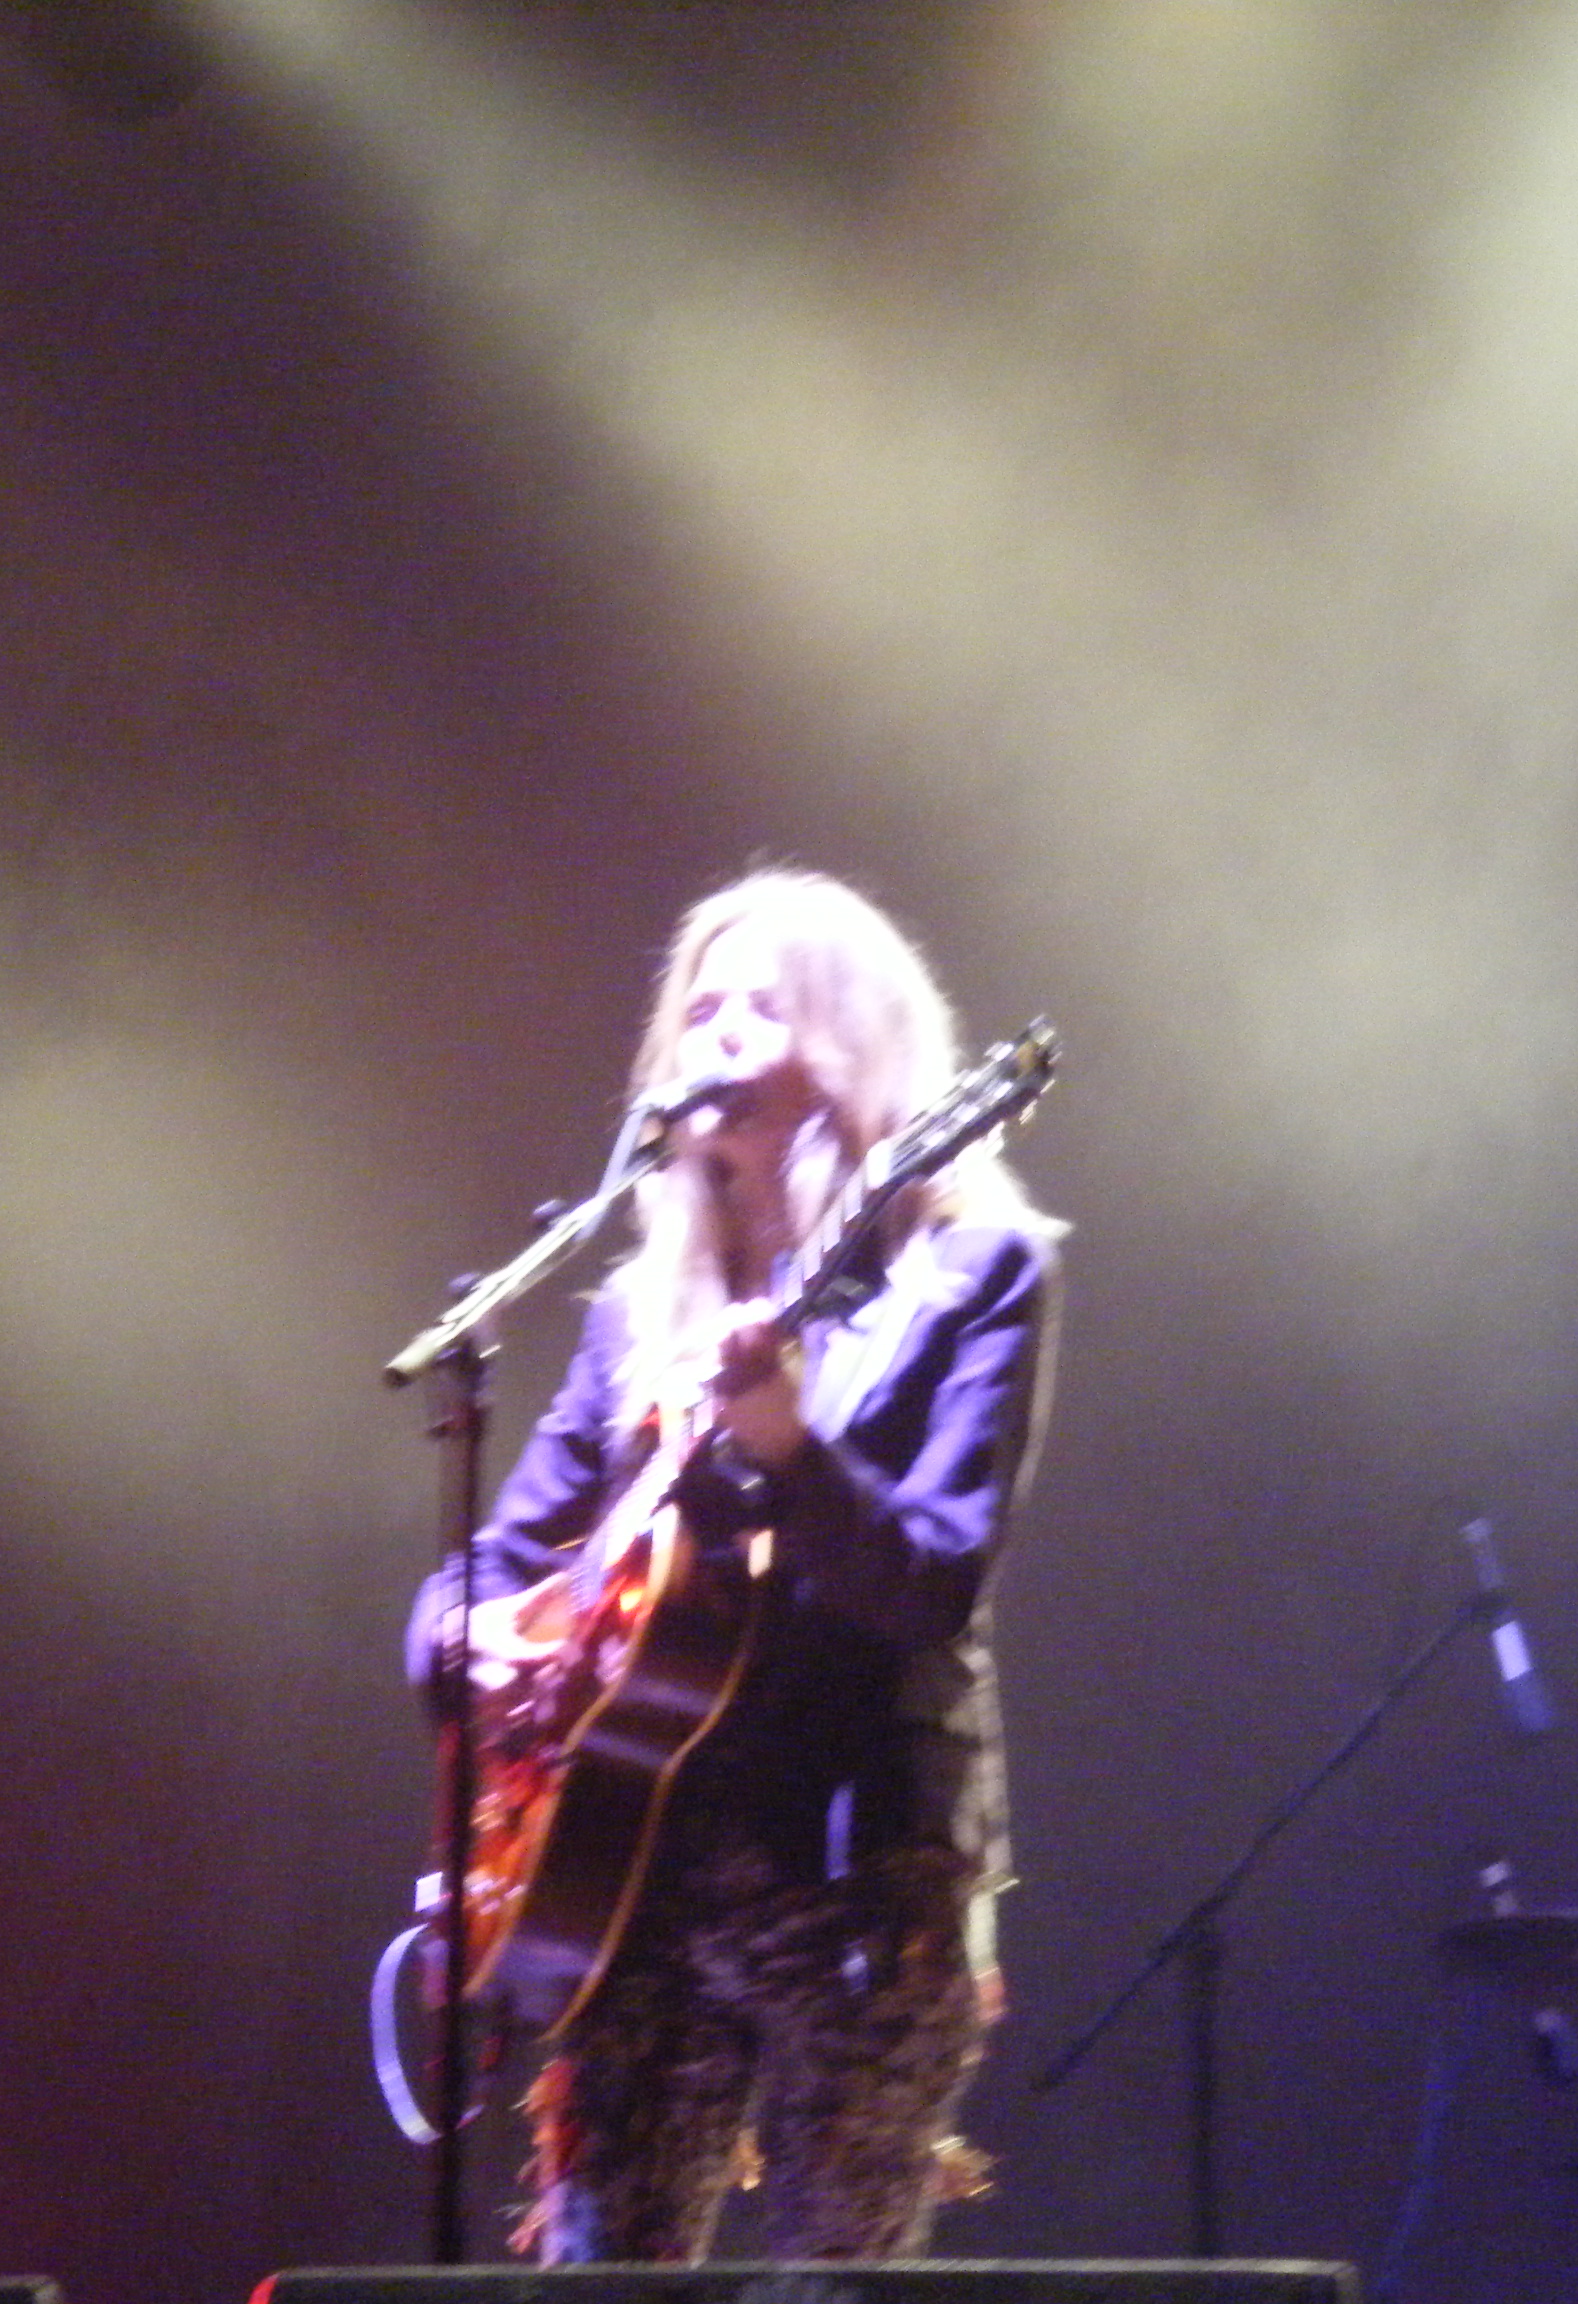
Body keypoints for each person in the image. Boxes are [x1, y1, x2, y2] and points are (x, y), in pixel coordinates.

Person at [408, 867, 1061, 2263]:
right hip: (631, 1872)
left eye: (757, 1008)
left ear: (853, 1047)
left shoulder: (975, 1272)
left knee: (834, 2281)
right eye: (696, 1012)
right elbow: (491, 1565)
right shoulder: (636, 1318)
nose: (712, 1035)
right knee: (602, 2275)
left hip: (861, 1869)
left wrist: (784, 1444)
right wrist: (476, 1644)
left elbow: (934, 1582)